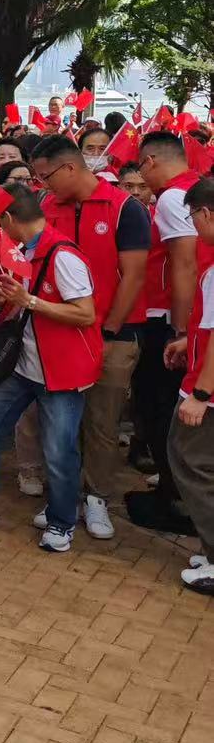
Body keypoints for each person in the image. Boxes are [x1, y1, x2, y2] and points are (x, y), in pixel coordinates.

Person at [0, 183, 101, 551]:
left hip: (62, 372)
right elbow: (21, 306)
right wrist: (1, 297)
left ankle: (61, 522)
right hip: (24, 368)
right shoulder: (26, 253)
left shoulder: (61, 256)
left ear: (9, 219)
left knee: (59, 451)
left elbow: (85, 314)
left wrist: (30, 300)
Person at [23, 133, 149, 541]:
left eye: (46, 176)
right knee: (60, 422)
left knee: (101, 421)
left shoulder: (124, 208)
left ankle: (97, 497)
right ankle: (64, 496)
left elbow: (134, 274)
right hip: (57, 331)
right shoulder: (48, 207)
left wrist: (110, 324)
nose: (42, 185)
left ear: (70, 167)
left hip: (112, 334)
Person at [133, 131, 204, 524]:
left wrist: (181, 331)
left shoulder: (175, 198)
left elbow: (184, 263)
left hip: (169, 319)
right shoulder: (195, 190)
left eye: (142, 168)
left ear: (151, 161)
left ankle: (173, 498)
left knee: (159, 407)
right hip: (188, 319)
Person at [167, 177, 214, 593]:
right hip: (202, 374)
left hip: (208, 390)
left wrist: (201, 393)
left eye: (193, 216)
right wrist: (190, 339)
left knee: (192, 465)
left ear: (206, 213)